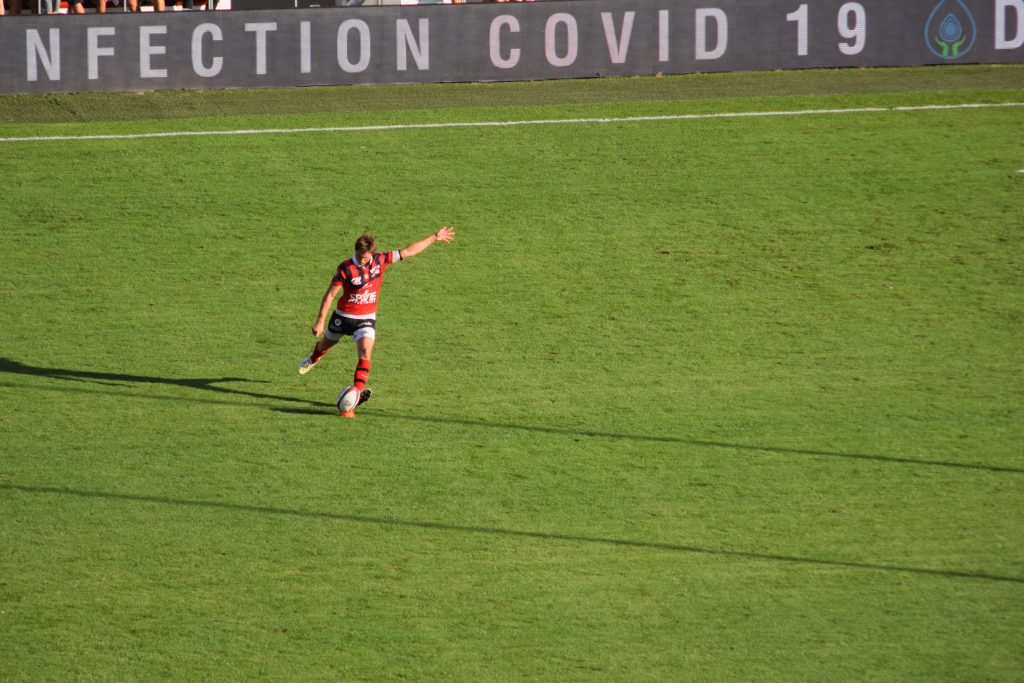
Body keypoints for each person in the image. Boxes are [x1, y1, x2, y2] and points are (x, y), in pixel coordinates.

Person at [299, 226, 456, 418]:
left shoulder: (381, 260)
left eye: (365, 257)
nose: (362, 260)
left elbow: (408, 251)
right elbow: (330, 295)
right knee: (325, 344)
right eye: (359, 256)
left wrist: (434, 237)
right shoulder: (346, 268)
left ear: (372, 254)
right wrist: (320, 321)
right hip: (342, 317)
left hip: (365, 319)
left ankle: (355, 395)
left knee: (365, 352)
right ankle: (314, 357)